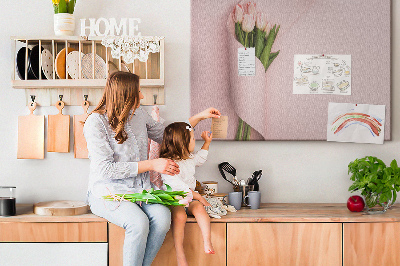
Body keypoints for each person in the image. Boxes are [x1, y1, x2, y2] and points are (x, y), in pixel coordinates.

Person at [83, 71, 221, 266]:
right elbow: (105, 169)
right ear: (126, 95)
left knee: (163, 219)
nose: (142, 96)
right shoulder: (96, 123)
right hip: (108, 193)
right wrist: (151, 164)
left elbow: (169, 136)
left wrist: (199, 117)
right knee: (138, 224)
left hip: (142, 191)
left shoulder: (139, 114)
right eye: (138, 91)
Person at [159, 122, 215, 266]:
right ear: (182, 143)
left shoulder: (189, 158)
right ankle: (180, 253)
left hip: (190, 198)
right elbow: (177, 187)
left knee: (200, 210)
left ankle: (207, 241)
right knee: (180, 216)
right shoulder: (168, 163)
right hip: (175, 198)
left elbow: (200, 159)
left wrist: (207, 143)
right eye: (193, 139)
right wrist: (199, 196)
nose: (195, 141)